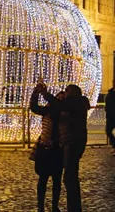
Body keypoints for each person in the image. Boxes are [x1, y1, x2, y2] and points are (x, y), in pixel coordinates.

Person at [42, 84, 90, 212]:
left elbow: (61, 105)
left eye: (67, 90)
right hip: (71, 142)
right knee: (71, 176)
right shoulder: (76, 104)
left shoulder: (75, 104)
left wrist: (45, 94)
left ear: (73, 93)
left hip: (72, 142)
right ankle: (74, 207)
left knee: (69, 177)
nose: (65, 92)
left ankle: (74, 208)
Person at [30, 86, 65, 212]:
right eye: (58, 97)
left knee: (56, 180)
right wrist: (35, 93)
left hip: (57, 149)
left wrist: (45, 93)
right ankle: (41, 206)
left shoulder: (64, 112)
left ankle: (55, 206)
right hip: (45, 148)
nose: (60, 99)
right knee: (43, 179)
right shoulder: (48, 110)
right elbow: (34, 107)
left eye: (62, 98)